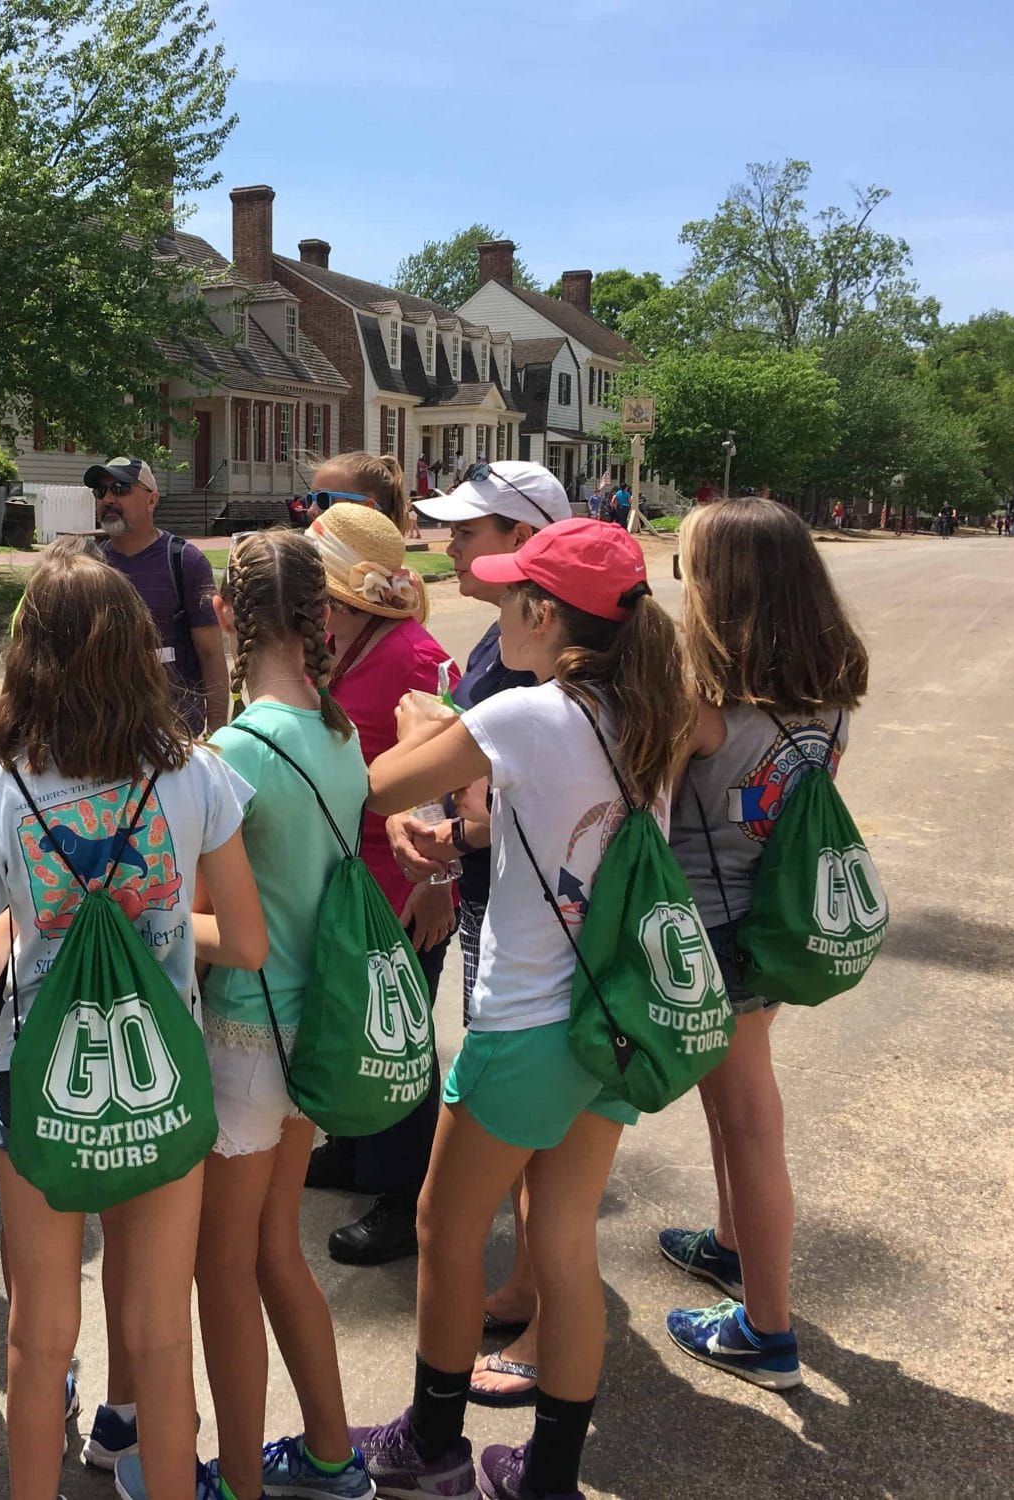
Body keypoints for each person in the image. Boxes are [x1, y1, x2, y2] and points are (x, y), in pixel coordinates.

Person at [349, 518, 690, 1500]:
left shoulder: (525, 714)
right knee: (564, 1241)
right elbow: (524, 822)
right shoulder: (643, 711)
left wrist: (425, 720)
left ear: (540, 615)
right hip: (609, 1020)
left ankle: (432, 1441)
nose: (496, 615)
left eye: (506, 600)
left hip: (526, 1022)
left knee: (442, 1230)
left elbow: (381, 789)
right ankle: (546, 1474)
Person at [0, 549, 265, 1500]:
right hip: (161, 1083)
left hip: (44, 1089)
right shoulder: (196, 777)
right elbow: (244, 940)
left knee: (39, 1340)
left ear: (27, 655)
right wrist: (149, 924)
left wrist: (20, 929)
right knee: (161, 1341)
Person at [656, 499, 872, 1393]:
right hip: (777, 925)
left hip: (711, 935)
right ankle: (731, 1246)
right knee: (730, 1104)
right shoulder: (828, 700)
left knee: (749, 1120)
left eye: (684, 567)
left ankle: (767, 1333)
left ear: (718, 590)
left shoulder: (699, 706)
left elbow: (649, 810)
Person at [183, 530, 374, 1500]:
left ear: (225, 614)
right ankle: (332, 1452)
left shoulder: (235, 749)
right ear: (320, 620)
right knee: (273, 1252)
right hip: (316, 1034)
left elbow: (218, 915)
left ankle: (240, 1484)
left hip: (245, 1036)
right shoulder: (337, 734)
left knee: (221, 1267)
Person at [402, 459, 572, 1401]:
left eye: (471, 531)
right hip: (494, 907)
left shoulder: (530, 658)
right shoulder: (495, 643)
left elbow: (504, 806)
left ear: (525, 543)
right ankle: (522, 1285)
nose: (451, 544)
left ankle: (546, 1321)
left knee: (538, 1135)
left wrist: (441, 818)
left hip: (536, 936)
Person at [294, 483, 453, 1267]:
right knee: (358, 1022)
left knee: (397, 1037)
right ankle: (358, 1153)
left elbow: (457, 778)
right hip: (353, 874)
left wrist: (439, 882)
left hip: (403, 882)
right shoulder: (343, 645)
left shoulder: (415, 657)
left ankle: (401, 1193)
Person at [87, 455, 229, 734]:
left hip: (173, 733)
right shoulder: (91, 565)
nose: (108, 499)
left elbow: (211, 654)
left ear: (152, 500)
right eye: (100, 491)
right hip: (106, 735)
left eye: (121, 489)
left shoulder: (184, 562)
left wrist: (217, 733)